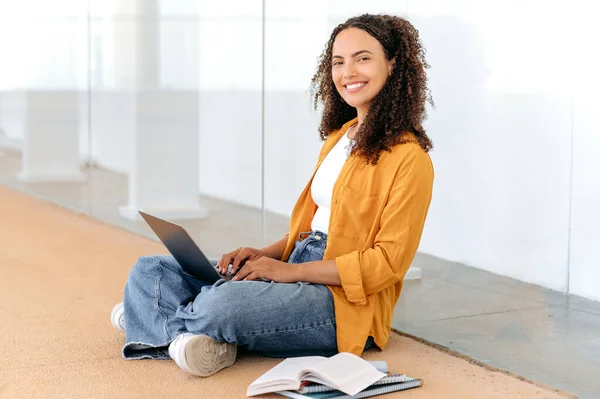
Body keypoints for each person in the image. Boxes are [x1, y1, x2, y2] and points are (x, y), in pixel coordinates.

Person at [111, 13, 434, 377]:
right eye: (338, 62)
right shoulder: (338, 139)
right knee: (150, 269)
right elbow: (309, 229)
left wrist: (288, 272)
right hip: (297, 261)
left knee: (224, 304)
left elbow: (386, 265)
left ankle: (158, 320)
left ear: (392, 65)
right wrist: (264, 255)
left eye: (363, 58)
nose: (348, 73)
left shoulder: (411, 158)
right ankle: (184, 331)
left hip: (341, 300)